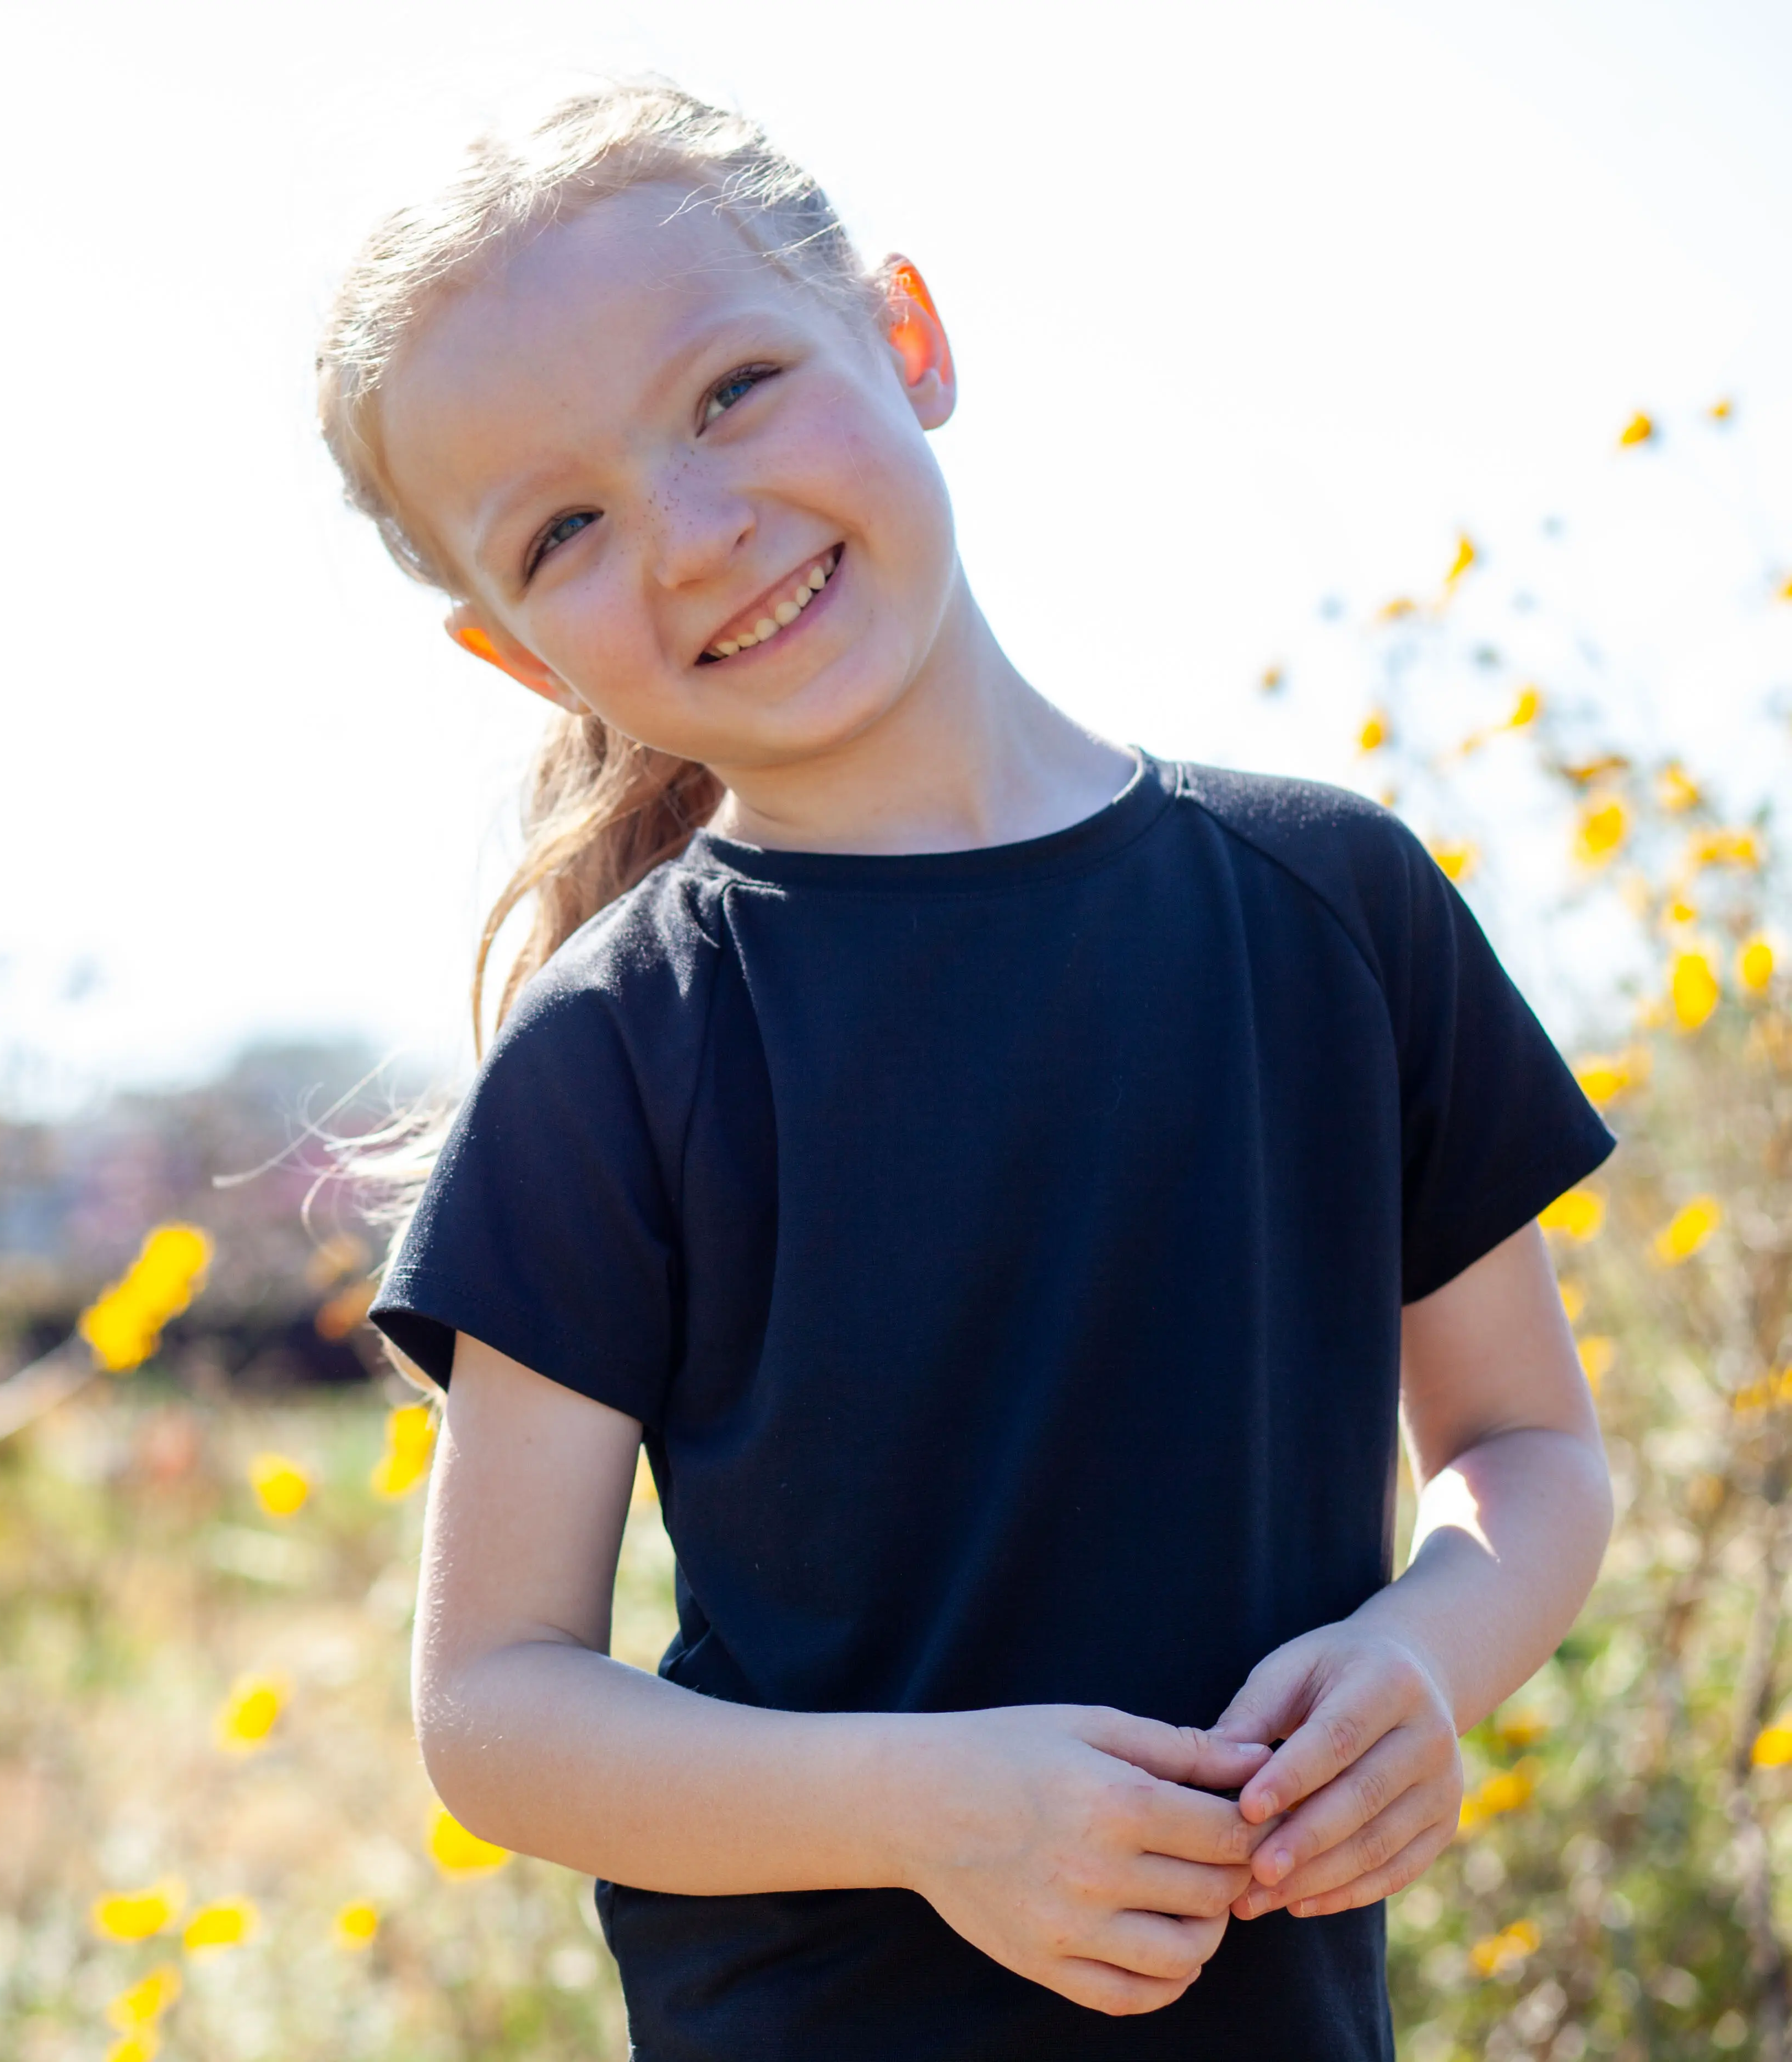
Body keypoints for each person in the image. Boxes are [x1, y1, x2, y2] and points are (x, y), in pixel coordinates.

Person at [323, 80, 1615, 2059]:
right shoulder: (617, 1056)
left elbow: (1527, 1453)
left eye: (732, 390)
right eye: (564, 528)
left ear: (908, 339)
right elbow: (494, 1704)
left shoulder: (1330, 906)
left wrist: (1425, 1660)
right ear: (515, 653)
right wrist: (935, 1810)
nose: (691, 533)